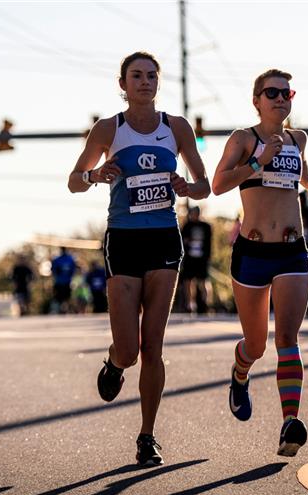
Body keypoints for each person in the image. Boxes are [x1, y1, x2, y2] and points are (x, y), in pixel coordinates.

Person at [68, 51, 209, 466]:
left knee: (153, 346)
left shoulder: (176, 128)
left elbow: (205, 185)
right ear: (123, 84)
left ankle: (147, 436)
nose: (144, 82)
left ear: (158, 83)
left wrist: (187, 186)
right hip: (123, 242)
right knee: (130, 350)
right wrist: (96, 175)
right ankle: (115, 363)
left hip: (165, 239)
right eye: (136, 76)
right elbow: (74, 181)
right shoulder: (109, 128)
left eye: (151, 76)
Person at [212, 68, 308, 457]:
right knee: (257, 344)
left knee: (287, 339)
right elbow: (218, 184)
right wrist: (259, 161)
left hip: (293, 251)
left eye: (286, 92)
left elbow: (302, 178)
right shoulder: (244, 139)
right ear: (256, 100)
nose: (280, 98)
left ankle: (288, 424)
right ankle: (239, 374)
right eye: (271, 92)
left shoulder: (299, 138)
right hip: (253, 252)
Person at [180, 206, 213, 314]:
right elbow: (183, 240)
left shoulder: (206, 226)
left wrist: (208, 257)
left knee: (203, 281)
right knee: (188, 281)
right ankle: (190, 305)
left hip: (202, 258)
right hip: (189, 258)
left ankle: (205, 303)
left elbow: (209, 243)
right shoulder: (187, 226)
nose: (193, 215)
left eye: (195, 213)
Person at [51, 247, 76, 314]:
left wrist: (71, 278)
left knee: (67, 297)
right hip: (59, 282)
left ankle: (65, 309)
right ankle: (60, 309)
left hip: (67, 282)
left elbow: (73, 270)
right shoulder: (57, 260)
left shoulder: (70, 259)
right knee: (59, 297)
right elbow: (53, 270)